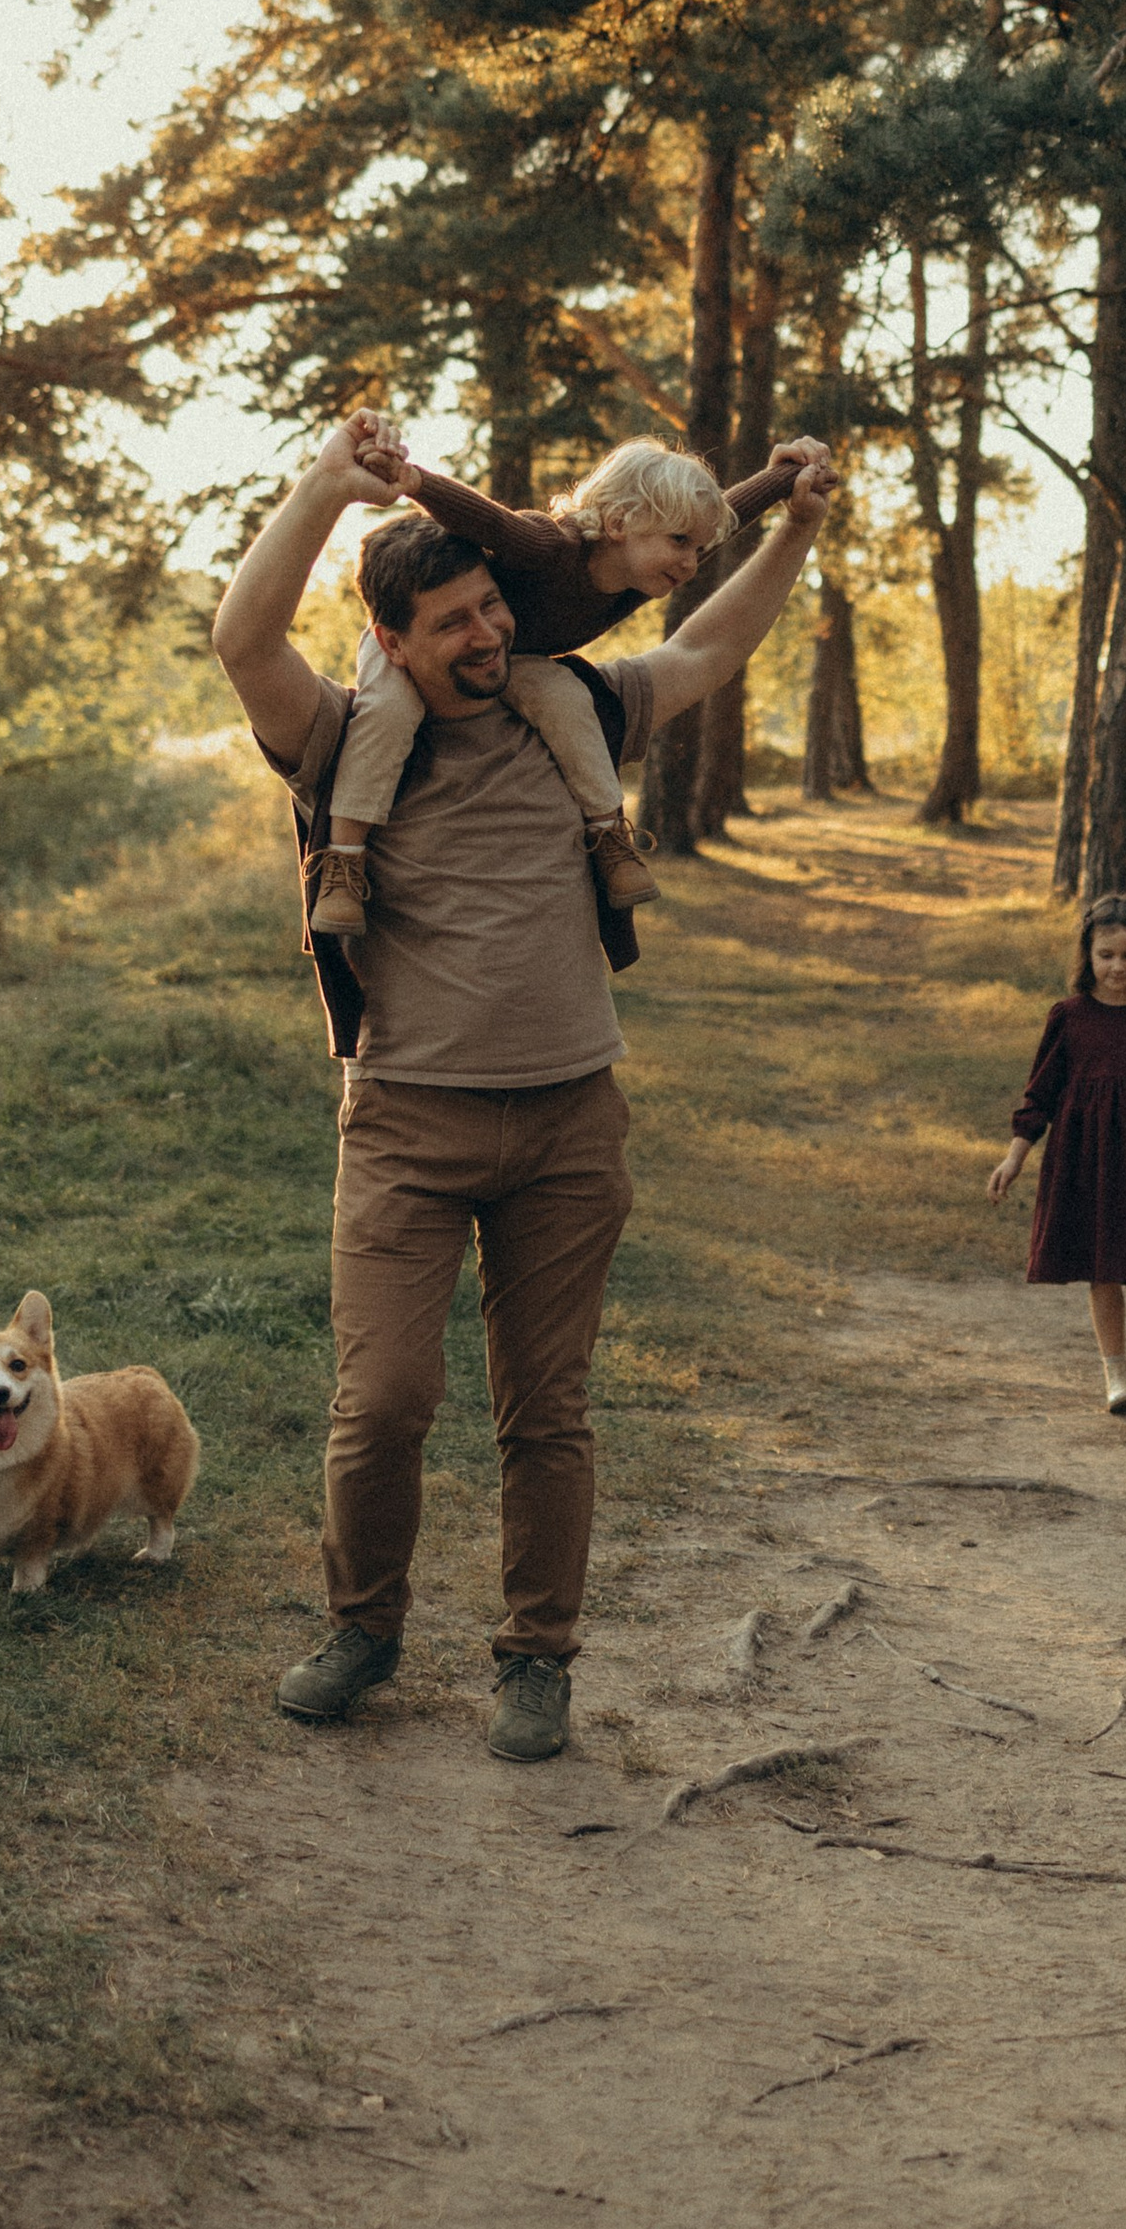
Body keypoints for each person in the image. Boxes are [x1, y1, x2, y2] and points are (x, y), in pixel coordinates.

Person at [209, 409, 835, 1759]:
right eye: (453, 624)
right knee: (382, 1407)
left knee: (548, 1413)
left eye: (494, 607)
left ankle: (536, 1659)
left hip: (568, 1122)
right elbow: (243, 642)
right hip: (404, 1129)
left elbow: (712, 643)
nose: (489, 637)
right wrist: (327, 485)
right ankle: (365, 1627)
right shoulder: (338, 737)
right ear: (393, 641)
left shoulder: (583, 705)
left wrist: (792, 529)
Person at [310, 431, 824, 933]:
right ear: (621, 521)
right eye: (680, 543)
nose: (692, 562)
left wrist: (783, 480)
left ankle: (608, 837)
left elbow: (716, 527)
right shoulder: (551, 546)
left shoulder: (640, 570)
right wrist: (413, 481)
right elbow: (490, 521)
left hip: (512, 658)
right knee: (388, 715)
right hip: (417, 645)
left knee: (568, 699)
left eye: (696, 546)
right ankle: (344, 861)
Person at [989, 891, 1126, 1417]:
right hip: (1085, 1156)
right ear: (1087, 955)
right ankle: (1117, 1372)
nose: (1117, 966)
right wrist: (1015, 1156)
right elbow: (1039, 1095)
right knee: (1101, 1264)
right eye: (1106, 955)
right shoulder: (1068, 1017)